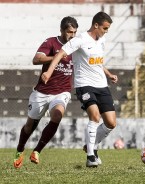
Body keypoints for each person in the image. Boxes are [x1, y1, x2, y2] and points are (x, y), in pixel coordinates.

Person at [41, 12, 118, 168]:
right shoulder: (80, 39)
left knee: (111, 123)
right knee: (95, 116)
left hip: (101, 85)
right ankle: (91, 156)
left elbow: (96, 62)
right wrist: (48, 72)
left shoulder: (102, 40)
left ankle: (91, 144)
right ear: (96, 25)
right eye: (105, 28)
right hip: (84, 84)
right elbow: (60, 53)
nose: (106, 31)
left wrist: (109, 74)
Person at [13, 16, 78, 169]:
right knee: (30, 126)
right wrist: (56, 57)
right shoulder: (51, 42)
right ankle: (20, 149)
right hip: (42, 92)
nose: (72, 35)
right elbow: (36, 60)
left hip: (62, 92)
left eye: (75, 32)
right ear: (61, 30)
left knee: (58, 114)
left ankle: (37, 151)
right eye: (69, 32)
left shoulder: (76, 45)